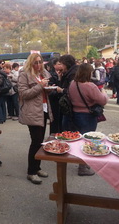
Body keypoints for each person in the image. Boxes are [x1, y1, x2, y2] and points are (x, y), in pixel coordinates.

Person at [18, 53, 53, 185]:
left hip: (43, 110)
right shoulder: (24, 75)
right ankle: (31, 172)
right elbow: (23, 94)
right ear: (30, 63)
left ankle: (37, 168)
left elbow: (45, 91)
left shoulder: (44, 74)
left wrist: (49, 88)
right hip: (32, 112)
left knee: (40, 141)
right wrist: (40, 86)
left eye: (40, 62)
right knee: (36, 141)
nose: (38, 65)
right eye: (35, 62)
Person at [68, 63, 109, 176]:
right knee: (88, 141)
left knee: (80, 139)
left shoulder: (73, 83)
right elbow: (102, 101)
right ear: (88, 73)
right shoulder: (90, 86)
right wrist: (104, 93)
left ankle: (82, 163)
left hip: (75, 114)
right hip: (87, 116)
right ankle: (82, 167)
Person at [56, 54, 78, 131]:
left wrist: (61, 90)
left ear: (66, 64)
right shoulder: (68, 72)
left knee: (68, 129)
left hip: (70, 106)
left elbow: (72, 90)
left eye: (61, 64)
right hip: (68, 106)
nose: (59, 67)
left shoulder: (73, 74)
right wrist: (60, 78)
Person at [0, 60, 9, 124]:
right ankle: (3, 118)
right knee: (2, 104)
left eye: (3, 63)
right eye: (2, 63)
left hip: (1, 90)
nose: (3, 65)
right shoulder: (2, 71)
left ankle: (1, 118)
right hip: (4, 89)